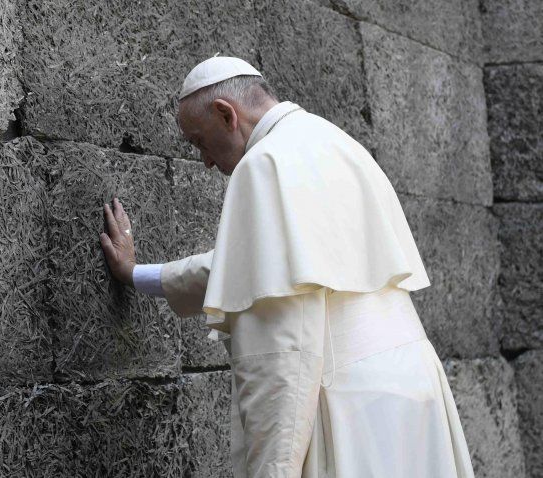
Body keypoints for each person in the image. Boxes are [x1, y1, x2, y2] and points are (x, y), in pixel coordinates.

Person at [99, 56, 475, 477]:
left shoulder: (263, 165)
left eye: (200, 142)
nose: (205, 161)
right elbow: (254, 271)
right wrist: (136, 274)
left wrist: (274, 465)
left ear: (227, 114)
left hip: (347, 403)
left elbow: (283, 339)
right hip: (416, 386)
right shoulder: (335, 141)